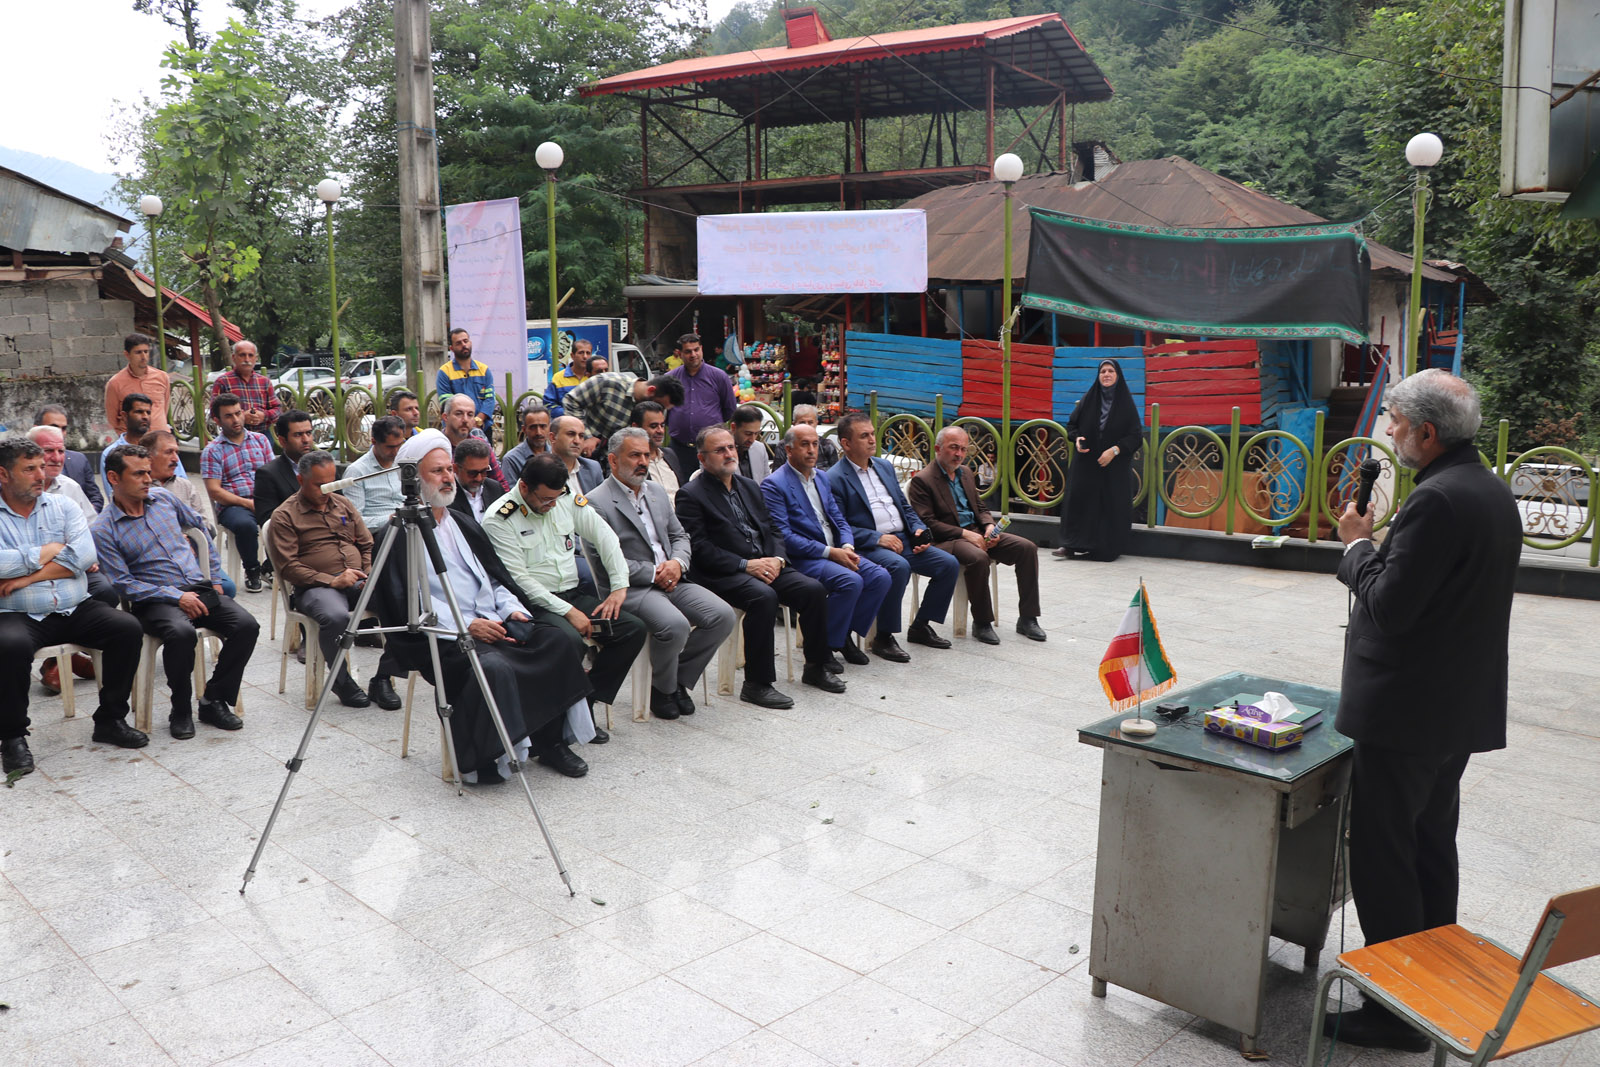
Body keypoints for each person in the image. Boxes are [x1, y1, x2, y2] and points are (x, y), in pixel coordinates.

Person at [1326, 370, 1522, 1051]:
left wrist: (1356, 547)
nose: (1388, 431)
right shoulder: (1491, 490)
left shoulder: (1437, 501)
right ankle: (1430, 981)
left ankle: (1397, 1011)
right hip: (1452, 711)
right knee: (1431, 844)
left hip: (1405, 715)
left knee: (1384, 855)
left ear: (1427, 433)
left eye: (1395, 420)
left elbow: (1390, 605)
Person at [371, 431, 595, 781]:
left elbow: (494, 578)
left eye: (448, 469)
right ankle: (486, 757)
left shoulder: (461, 522)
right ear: (413, 479)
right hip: (443, 636)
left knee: (558, 641)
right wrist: (464, 625)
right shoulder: (399, 534)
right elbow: (405, 605)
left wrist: (509, 608)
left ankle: (549, 743)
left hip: (492, 621)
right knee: (494, 667)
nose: (447, 478)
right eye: (437, 472)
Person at [0, 439, 147, 776]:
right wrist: (49, 550)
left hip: (73, 605)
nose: (41, 475)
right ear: (3, 474)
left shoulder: (62, 506)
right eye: (30, 468)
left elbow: (84, 556)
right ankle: (11, 737)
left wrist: (23, 577)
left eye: (42, 467)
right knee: (9, 645)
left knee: (126, 628)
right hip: (16, 613)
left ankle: (110, 719)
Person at [93, 446, 257, 739]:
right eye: (139, 473)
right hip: (155, 600)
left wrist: (215, 574)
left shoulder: (164, 498)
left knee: (246, 625)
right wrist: (174, 596)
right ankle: (180, 708)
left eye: (148, 471)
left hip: (197, 586)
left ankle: (212, 699)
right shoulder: (104, 529)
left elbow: (201, 528)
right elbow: (122, 583)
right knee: (181, 633)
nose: (147, 479)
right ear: (114, 478)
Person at [482, 452, 646, 738]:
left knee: (632, 629)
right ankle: (554, 731)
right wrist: (568, 613)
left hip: (572, 594)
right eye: (545, 500)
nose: (551, 505)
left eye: (555, 499)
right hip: (532, 605)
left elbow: (604, 535)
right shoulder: (500, 518)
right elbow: (519, 579)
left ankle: (585, 702)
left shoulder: (564, 497)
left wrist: (620, 585)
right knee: (569, 641)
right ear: (524, 488)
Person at [675, 427, 841, 705]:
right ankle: (757, 683)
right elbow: (700, 549)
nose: (729, 454)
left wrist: (777, 559)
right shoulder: (691, 495)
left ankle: (816, 667)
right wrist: (745, 565)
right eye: (720, 450)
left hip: (767, 564)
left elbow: (774, 529)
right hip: (723, 572)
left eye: (730, 448)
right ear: (702, 459)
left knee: (812, 590)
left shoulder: (749, 486)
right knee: (763, 598)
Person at [587, 428, 735, 719]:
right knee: (675, 625)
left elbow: (680, 536)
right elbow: (609, 562)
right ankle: (663, 691)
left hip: (672, 576)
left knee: (722, 615)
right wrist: (655, 573)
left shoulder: (655, 491)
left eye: (646, 454)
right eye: (634, 455)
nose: (643, 461)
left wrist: (677, 564)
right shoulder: (596, 502)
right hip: (630, 588)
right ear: (614, 461)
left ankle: (677, 680)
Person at [827, 412, 962, 655]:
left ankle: (921, 625)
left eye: (872, 434)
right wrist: (877, 538)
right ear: (846, 444)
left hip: (903, 539)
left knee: (948, 564)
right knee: (898, 567)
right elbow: (840, 525)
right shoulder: (835, 478)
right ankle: (884, 636)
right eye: (864, 436)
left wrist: (918, 530)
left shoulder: (884, 466)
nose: (871, 440)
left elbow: (904, 507)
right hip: (870, 546)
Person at [762, 424, 891, 670]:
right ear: (789, 450)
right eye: (805, 445)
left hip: (837, 550)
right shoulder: (774, 485)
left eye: (815, 444)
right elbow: (784, 536)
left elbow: (838, 517)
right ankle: (826, 646)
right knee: (850, 581)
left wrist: (847, 544)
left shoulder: (821, 477)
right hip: (805, 558)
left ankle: (840, 634)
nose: (813, 450)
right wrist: (830, 552)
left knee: (879, 577)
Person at [908, 426, 1046, 645]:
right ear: (937, 448)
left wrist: (989, 527)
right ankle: (982, 622)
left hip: (976, 531)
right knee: (978, 557)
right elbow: (928, 523)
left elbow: (980, 507)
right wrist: (965, 534)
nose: (959, 454)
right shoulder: (923, 480)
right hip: (947, 540)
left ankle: (1028, 618)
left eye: (963, 449)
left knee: (1026, 548)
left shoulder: (966, 473)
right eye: (954, 448)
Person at [265, 450, 374, 708]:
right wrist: (331, 580)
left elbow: (367, 543)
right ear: (300, 480)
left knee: (401, 599)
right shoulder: (285, 515)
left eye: (331, 482)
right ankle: (341, 680)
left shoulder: (342, 503)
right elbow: (288, 568)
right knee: (336, 617)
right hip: (315, 586)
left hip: (357, 578)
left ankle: (383, 677)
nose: (326, 490)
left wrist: (368, 572)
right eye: (319, 484)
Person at [1056, 359, 1143, 562]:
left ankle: (1103, 548)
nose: (1106, 374)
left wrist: (1114, 450)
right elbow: (1072, 426)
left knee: (1108, 504)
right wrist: (1076, 439)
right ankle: (1070, 545)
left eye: (1110, 371)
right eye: (1103, 371)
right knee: (1078, 500)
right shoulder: (1089, 399)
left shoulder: (1125, 404)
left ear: (1118, 376)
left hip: (1113, 466)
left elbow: (1136, 436)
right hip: (1086, 464)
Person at [142, 430, 236, 598]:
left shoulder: (185, 486)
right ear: (149, 457)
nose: (176, 459)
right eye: (169, 452)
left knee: (227, 587)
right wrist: (175, 538)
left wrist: (189, 538)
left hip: (193, 554)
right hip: (158, 561)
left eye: (176, 452)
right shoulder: (139, 489)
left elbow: (207, 526)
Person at [200, 394, 276, 593]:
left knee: (284, 517)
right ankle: (252, 569)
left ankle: (272, 566)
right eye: (228, 416)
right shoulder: (213, 450)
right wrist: (246, 503)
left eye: (238, 413)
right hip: (232, 505)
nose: (235, 420)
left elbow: (273, 474)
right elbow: (214, 490)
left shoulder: (260, 440)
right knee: (245, 525)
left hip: (263, 499)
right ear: (217, 420)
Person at [666, 333, 737, 477]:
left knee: (714, 488)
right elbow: (664, 411)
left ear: (701, 349)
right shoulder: (670, 379)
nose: (693, 355)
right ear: (680, 354)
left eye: (696, 350)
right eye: (688, 351)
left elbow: (729, 410)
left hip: (712, 449)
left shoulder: (719, 377)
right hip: (680, 448)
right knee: (680, 488)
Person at [561, 370, 684, 450]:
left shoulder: (659, 406)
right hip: (589, 456)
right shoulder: (608, 383)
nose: (658, 411)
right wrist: (586, 437)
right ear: (651, 390)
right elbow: (571, 400)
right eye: (659, 405)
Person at [251, 409, 315, 539]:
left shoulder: (324, 466)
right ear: (282, 441)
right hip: (293, 544)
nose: (306, 439)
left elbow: (341, 507)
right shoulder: (268, 475)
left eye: (308, 433)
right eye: (298, 435)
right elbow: (269, 522)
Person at [341, 416, 407, 533]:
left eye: (399, 445)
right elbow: (354, 521)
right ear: (374, 442)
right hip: (380, 534)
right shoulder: (357, 471)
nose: (396, 452)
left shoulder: (403, 463)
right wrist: (391, 519)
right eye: (390, 447)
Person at [33, 404, 103, 512]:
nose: (60, 433)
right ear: (36, 429)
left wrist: (82, 515)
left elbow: (95, 498)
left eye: (64, 428)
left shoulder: (79, 460)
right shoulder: (17, 467)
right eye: (54, 427)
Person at [440, 394, 510, 496]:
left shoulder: (481, 444)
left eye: (470, 414)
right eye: (459, 414)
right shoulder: (436, 448)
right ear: (445, 417)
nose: (465, 419)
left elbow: (501, 484)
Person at [105, 332, 172, 436]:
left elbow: (164, 409)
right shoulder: (115, 383)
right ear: (127, 355)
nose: (143, 356)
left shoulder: (162, 377)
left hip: (159, 438)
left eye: (146, 352)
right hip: (133, 442)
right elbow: (112, 418)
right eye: (138, 352)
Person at [208, 339, 281, 432]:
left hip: (263, 435)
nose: (247, 359)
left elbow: (278, 409)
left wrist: (264, 416)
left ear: (256, 358)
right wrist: (240, 417)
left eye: (250, 355)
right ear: (233, 357)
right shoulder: (223, 382)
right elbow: (214, 413)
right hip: (234, 435)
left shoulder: (264, 382)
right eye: (242, 355)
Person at [101, 392, 170, 487]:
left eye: (148, 412)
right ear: (124, 416)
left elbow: (180, 483)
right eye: (139, 412)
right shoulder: (110, 453)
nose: (145, 417)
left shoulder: (164, 448)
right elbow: (114, 492)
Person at [436, 327, 496, 428]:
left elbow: (490, 399)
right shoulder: (444, 372)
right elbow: (447, 403)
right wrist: (466, 421)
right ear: (452, 348)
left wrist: (478, 420)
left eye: (465, 341)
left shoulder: (484, 370)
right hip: (455, 429)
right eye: (458, 343)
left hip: (482, 428)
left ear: (470, 343)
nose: (464, 345)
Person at [630, 400, 682, 500]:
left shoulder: (670, 455)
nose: (660, 431)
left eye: (662, 425)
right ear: (636, 427)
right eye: (653, 426)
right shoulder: (630, 462)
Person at [551, 414, 604, 495]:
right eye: (571, 434)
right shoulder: (539, 469)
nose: (577, 441)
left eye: (581, 436)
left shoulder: (593, 468)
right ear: (553, 437)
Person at [542, 338, 596, 418]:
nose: (585, 356)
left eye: (588, 353)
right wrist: (570, 414)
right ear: (572, 355)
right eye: (581, 353)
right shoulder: (558, 378)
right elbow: (548, 405)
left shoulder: (594, 377)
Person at [502, 401, 551, 486]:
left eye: (543, 426)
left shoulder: (555, 454)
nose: (538, 432)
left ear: (549, 428)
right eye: (533, 427)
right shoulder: (511, 459)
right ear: (524, 430)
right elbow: (509, 494)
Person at [448, 438, 497, 524]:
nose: (479, 478)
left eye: (484, 471)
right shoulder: (446, 498)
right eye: (472, 473)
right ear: (455, 468)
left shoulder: (495, 489)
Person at [783, 405, 840, 470]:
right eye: (802, 422)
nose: (807, 426)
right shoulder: (784, 445)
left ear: (816, 423)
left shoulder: (827, 445)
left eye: (810, 422)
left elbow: (835, 474)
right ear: (794, 424)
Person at [730, 405, 772, 481]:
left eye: (756, 434)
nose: (752, 439)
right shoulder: (719, 452)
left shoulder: (760, 448)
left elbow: (767, 481)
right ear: (733, 427)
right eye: (748, 433)